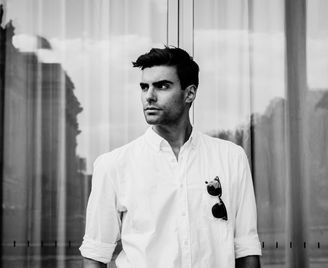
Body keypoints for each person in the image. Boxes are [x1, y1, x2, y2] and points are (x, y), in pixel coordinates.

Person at [80, 46, 261, 268]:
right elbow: (95, 255)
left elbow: (246, 249)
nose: (149, 96)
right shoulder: (113, 165)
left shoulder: (231, 158)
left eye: (162, 86)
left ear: (190, 93)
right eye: (144, 87)